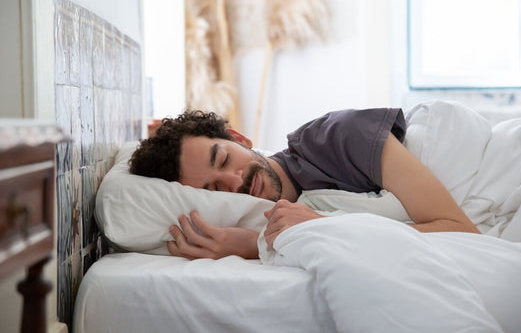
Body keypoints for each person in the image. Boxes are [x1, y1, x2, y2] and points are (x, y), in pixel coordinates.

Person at [129, 109, 480, 260]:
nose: (235, 182)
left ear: (240, 138)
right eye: (214, 191)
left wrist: (315, 232)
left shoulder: (338, 137)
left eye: (223, 160)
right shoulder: (275, 215)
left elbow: (461, 231)